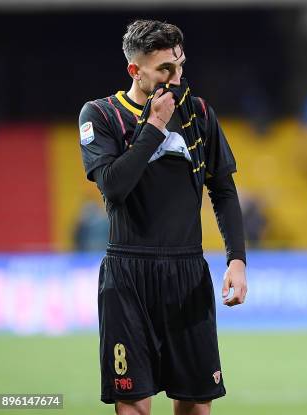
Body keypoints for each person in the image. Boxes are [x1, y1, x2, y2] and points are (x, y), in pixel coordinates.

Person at [78, 19, 247, 415]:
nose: (177, 77)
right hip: (128, 274)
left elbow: (222, 190)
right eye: (165, 70)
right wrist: (154, 124)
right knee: (133, 403)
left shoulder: (200, 114)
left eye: (181, 65)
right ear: (135, 71)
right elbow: (114, 186)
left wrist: (237, 260)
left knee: (195, 403)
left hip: (187, 272)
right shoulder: (102, 115)